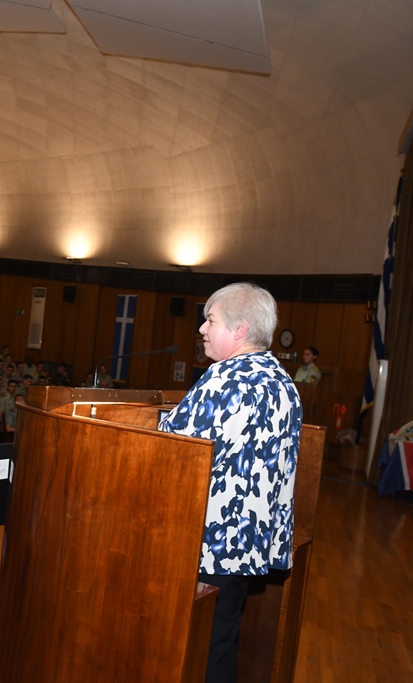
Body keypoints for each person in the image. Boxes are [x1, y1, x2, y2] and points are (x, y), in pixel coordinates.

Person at [158, 282, 301, 683]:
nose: (202, 329)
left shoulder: (224, 378)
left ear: (239, 330)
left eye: (210, 320)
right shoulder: (282, 381)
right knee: (219, 642)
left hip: (209, 543)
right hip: (246, 542)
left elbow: (173, 447)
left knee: (194, 650)